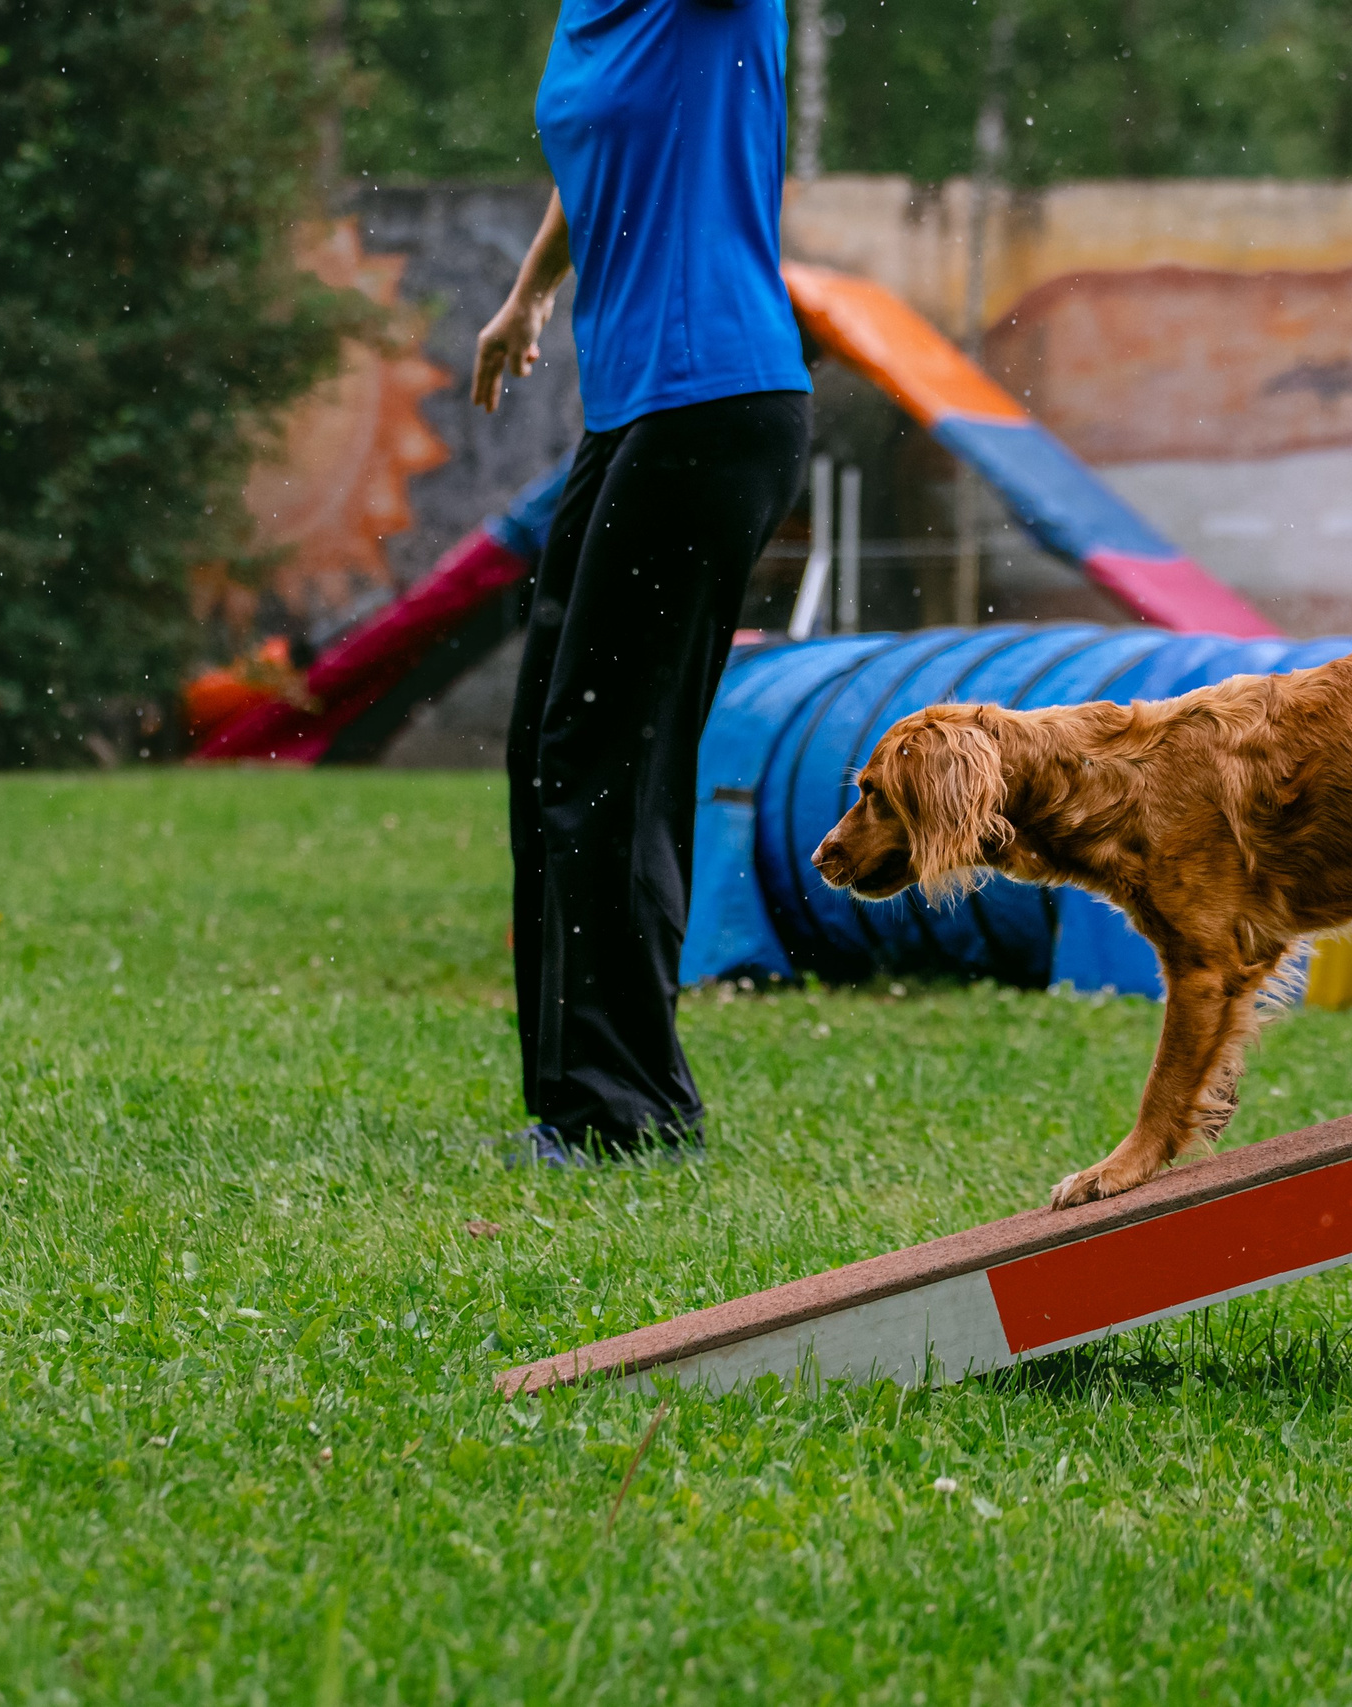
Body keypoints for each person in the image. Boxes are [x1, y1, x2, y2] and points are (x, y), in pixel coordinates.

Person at [471, 0, 812, 1166]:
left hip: (713, 399)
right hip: (634, 415)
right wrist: (530, 291)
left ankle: (626, 1117)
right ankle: (582, 1102)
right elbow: (602, 156)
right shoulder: (590, 15)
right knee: (552, 748)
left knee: (607, 754)